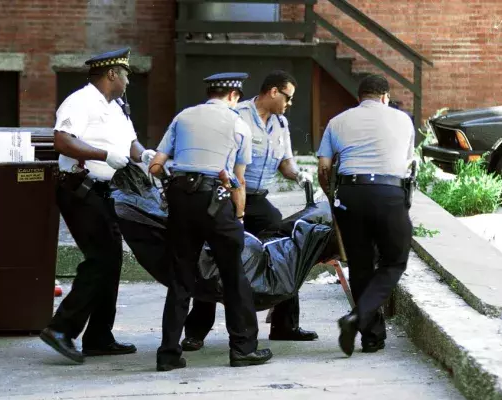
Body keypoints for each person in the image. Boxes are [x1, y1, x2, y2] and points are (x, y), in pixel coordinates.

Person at [180, 70, 318, 353]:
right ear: (274, 92)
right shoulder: (238, 114)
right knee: (213, 260)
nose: (289, 104)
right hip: (229, 197)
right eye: (288, 97)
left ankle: (285, 325)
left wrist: (298, 174)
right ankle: (196, 332)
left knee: (287, 251)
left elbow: (286, 162)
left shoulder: (281, 123)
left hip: (259, 199)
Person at [148, 72, 273, 371]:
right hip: (216, 201)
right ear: (233, 95)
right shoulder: (238, 124)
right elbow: (238, 181)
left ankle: (168, 354)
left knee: (181, 279)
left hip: (180, 197)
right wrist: (239, 218)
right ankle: (242, 349)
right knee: (234, 276)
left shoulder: (183, 117)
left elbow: (155, 166)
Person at [40, 47, 157, 363]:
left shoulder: (116, 107)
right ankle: (61, 329)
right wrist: (103, 156)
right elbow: (62, 140)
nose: (129, 81)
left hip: (106, 191)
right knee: (100, 258)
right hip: (81, 188)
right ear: (112, 74)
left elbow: (129, 144)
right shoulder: (81, 101)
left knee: (112, 260)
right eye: (127, 74)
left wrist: (143, 154)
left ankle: (99, 336)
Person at [316, 74, 414, 357]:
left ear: (359, 98)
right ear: (385, 96)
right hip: (388, 193)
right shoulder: (402, 120)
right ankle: (357, 317)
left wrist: (334, 200)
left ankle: (371, 337)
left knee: (360, 266)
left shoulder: (338, 121)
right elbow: (406, 163)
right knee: (394, 261)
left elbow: (324, 168)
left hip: (350, 194)